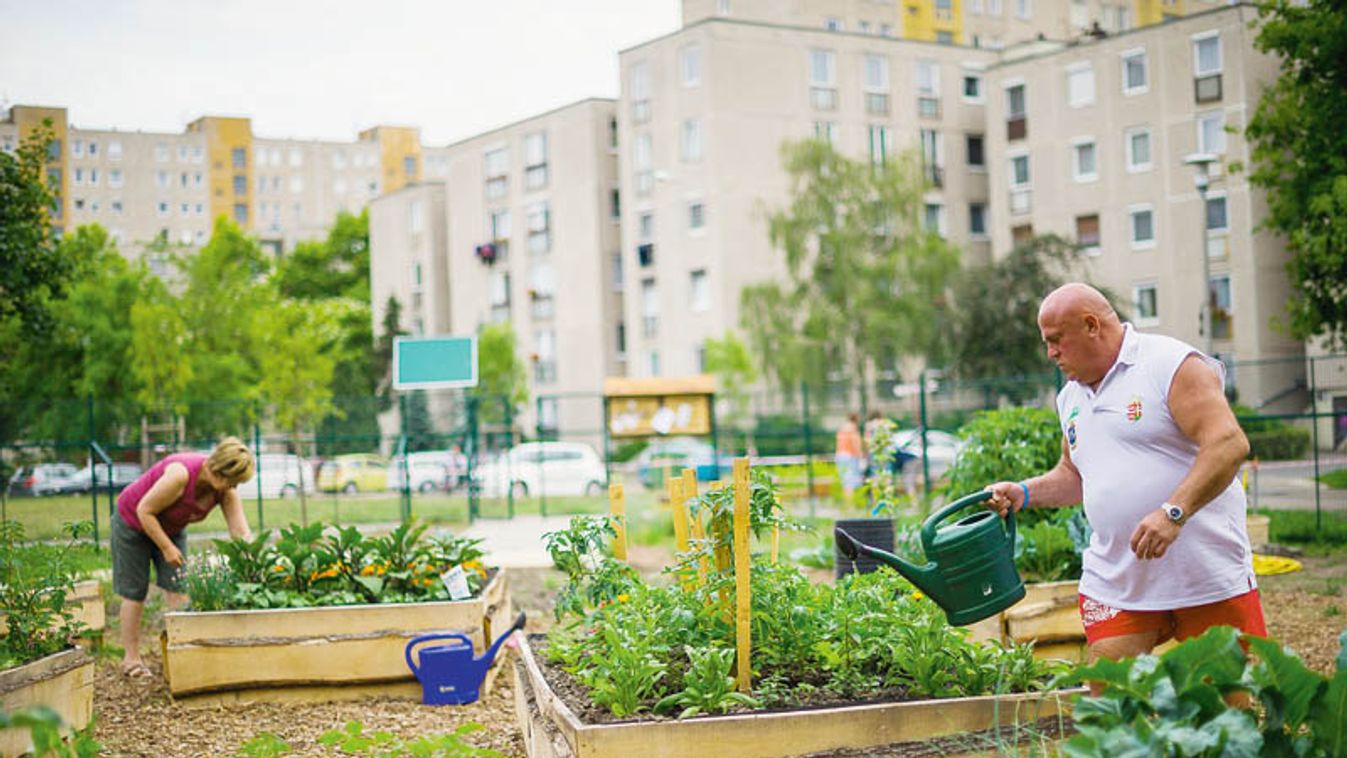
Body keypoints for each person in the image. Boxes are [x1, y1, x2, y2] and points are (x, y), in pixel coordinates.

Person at [984, 283, 1263, 690]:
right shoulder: (1070, 398)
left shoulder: (1168, 364)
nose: (1051, 354)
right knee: (1108, 700)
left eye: (1056, 340)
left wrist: (1174, 512)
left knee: (1222, 713)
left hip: (1205, 573)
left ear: (1092, 325)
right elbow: (1074, 474)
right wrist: (1023, 492)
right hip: (1119, 580)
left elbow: (1228, 443)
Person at [113, 437, 255, 680]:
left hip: (171, 527)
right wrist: (167, 548)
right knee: (135, 592)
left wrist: (255, 561)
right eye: (233, 481)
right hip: (134, 523)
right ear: (220, 472)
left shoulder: (225, 491)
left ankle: (184, 652)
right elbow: (144, 510)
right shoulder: (180, 475)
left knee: (178, 588)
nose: (234, 488)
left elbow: (241, 535)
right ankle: (131, 659)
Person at [835, 412, 864, 501]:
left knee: (846, 481)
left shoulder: (842, 427)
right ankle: (850, 504)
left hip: (840, 455)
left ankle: (848, 503)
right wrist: (861, 456)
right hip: (850, 456)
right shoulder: (852, 428)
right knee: (850, 481)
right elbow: (855, 443)